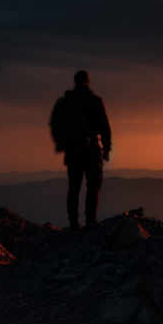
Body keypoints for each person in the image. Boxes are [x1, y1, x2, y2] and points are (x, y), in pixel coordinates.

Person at [48, 70, 112, 229]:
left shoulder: (65, 102)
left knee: (74, 187)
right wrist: (106, 149)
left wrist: (61, 144)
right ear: (87, 82)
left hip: (73, 150)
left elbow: (54, 124)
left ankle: (74, 223)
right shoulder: (95, 101)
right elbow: (105, 127)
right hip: (91, 150)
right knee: (93, 186)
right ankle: (90, 221)